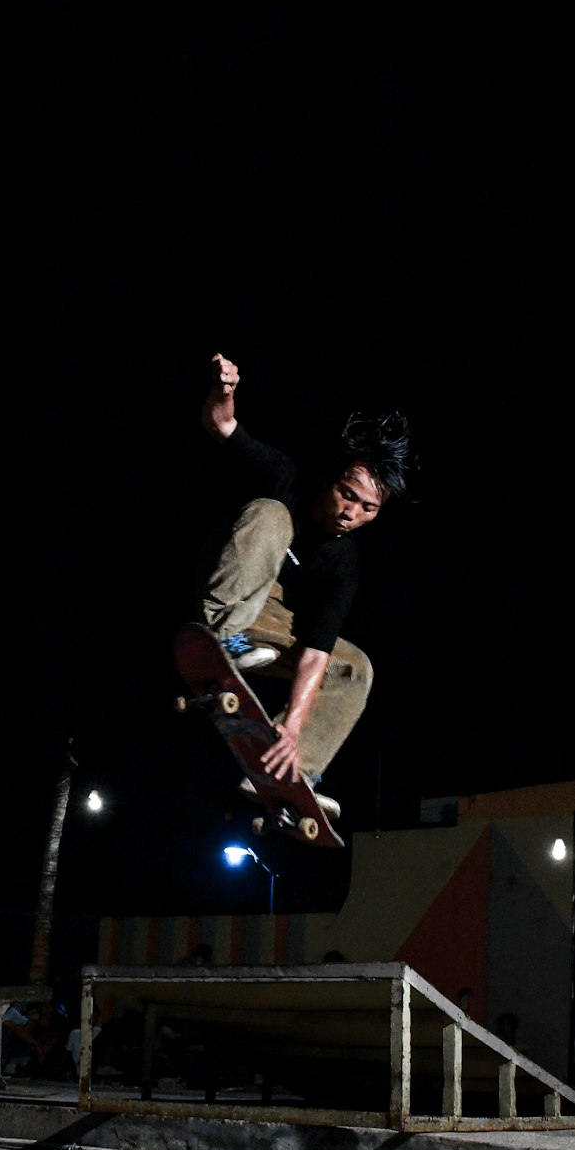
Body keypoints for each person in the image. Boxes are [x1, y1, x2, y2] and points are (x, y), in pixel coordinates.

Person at [194, 351, 413, 821]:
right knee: (270, 514)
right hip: (230, 592)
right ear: (330, 481)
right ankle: (219, 632)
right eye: (347, 495)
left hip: (266, 626)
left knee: (355, 666)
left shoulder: (344, 566)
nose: (351, 512)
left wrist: (291, 726)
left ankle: (293, 769)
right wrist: (224, 392)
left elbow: (316, 652)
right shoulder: (287, 479)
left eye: (368, 509)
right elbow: (221, 426)